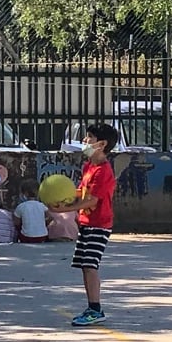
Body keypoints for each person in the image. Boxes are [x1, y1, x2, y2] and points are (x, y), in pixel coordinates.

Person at [69, 123, 119, 325]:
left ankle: (95, 309)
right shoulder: (88, 166)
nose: (84, 141)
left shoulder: (103, 171)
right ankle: (92, 306)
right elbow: (81, 192)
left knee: (90, 265)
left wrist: (62, 210)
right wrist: (61, 197)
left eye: (89, 137)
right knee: (84, 266)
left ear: (102, 144)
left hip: (99, 224)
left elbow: (92, 201)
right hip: (86, 223)